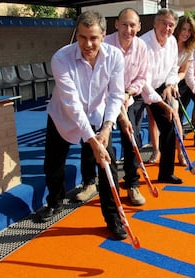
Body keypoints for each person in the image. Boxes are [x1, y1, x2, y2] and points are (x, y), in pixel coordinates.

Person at [37, 11, 128, 240]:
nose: (87, 44)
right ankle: (55, 202)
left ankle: (113, 218)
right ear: (76, 35)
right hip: (63, 116)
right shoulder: (61, 58)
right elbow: (72, 104)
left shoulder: (115, 56)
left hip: (98, 116)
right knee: (53, 163)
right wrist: (92, 139)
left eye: (93, 38)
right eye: (82, 37)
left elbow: (116, 95)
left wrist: (106, 129)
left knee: (108, 164)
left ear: (104, 36)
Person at [75, 8, 149, 206]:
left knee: (131, 136)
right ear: (116, 24)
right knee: (91, 137)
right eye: (124, 24)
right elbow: (97, 78)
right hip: (101, 98)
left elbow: (142, 78)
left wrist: (128, 94)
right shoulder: (104, 43)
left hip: (127, 97)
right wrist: (115, 102)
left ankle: (132, 184)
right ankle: (89, 182)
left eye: (133, 25)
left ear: (139, 27)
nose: (128, 29)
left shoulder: (142, 47)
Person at [139, 8, 183, 184]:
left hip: (157, 87)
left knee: (168, 128)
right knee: (132, 135)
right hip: (135, 89)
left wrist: (171, 84)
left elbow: (174, 68)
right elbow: (143, 81)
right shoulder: (143, 44)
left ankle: (166, 173)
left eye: (171, 25)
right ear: (155, 23)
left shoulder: (172, 41)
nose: (167, 28)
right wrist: (163, 104)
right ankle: (131, 180)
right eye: (164, 23)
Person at [174, 15, 195, 162]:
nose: (186, 33)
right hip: (156, 82)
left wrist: (174, 81)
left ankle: (180, 152)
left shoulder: (189, 49)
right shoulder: (169, 43)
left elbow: (183, 72)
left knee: (176, 116)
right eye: (183, 29)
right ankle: (156, 151)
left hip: (174, 82)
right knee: (153, 120)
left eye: (189, 30)